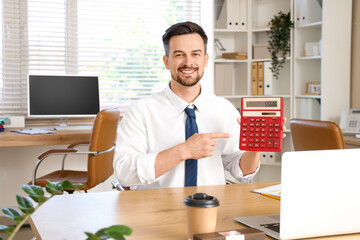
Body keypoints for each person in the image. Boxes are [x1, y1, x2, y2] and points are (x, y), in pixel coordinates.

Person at [113, 21, 261, 190]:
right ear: (167, 61)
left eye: (195, 54)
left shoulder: (224, 109)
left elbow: (241, 171)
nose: (188, 62)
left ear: (205, 60)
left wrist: (256, 147)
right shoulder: (140, 112)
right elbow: (124, 173)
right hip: (157, 211)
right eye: (179, 55)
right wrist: (184, 151)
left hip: (211, 209)